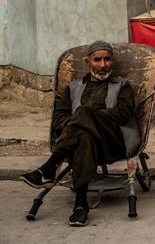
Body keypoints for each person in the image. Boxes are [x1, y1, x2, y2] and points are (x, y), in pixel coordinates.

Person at [20, 41, 138, 227]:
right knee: (84, 136)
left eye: (107, 59)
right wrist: (82, 124)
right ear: (87, 62)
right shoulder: (73, 88)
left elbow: (123, 114)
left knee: (83, 112)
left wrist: (90, 116)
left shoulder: (122, 86)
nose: (103, 64)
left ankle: (51, 166)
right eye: (97, 60)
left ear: (112, 61)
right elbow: (59, 118)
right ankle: (80, 205)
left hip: (113, 142)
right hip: (85, 143)